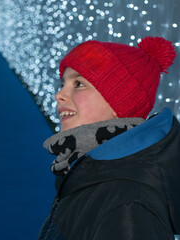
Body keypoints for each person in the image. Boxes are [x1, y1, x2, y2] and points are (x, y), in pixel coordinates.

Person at [37, 36, 180, 240]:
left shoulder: (127, 204)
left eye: (78, 83)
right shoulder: (94, 166)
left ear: (118, 105)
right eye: (63, 83)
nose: (59, 94)